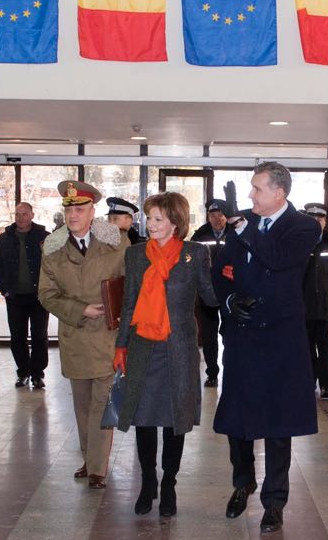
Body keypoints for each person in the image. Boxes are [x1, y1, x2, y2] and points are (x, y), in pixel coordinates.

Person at [211, 161, 319, 534]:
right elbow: (219, 270)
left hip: (281, 339)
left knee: (278, 423)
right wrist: (228, 303)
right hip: (243, 334)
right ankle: (243, 483)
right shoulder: (243, 222)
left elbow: (277, 259)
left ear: (279, 193)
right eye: (251, 188)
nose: (250, 196)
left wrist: (244, 228)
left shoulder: (303, 227)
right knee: (237, 420)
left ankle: (275, 501)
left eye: (257, 189)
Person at [113, 192, 217, 517]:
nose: (151, 224)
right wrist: (121, 344)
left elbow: (211, 297)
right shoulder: (135, 256)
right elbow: (129, 302)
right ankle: (148, 482)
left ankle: (169, 483)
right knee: (144, 419)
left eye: (158, 219)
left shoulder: (195, 254)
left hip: (180, 348)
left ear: (175, 221)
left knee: (175, 420)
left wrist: (234, 279)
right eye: (149, 218)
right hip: (143, 345)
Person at [38, 180, 127, 490]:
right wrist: (78, 309)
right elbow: (46, 294)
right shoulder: (52, 248)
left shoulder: (116, 243)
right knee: (82, 404)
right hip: (75, 334)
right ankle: (90, 459)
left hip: (106, 336)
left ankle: (98, 468)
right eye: (69, 209)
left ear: (93, 211)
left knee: (102, 404)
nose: (73, 215)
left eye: (79, 209)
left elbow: (129, 285)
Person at [0, 202, 50, 389]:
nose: (20, 217)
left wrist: (48, 289)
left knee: (39, 336)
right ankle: (23, 372)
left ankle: (37, 374)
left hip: (38, 296)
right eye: (17, 214)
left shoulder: (44, 237)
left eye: (24, 214)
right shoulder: (3, 239)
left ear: (32, 215)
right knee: (18, 337)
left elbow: (53, 266)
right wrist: (4, 290)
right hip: (15, 297)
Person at [301, 203, 328, 399]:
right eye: (313, 219)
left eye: (321, 219)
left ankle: (327, 385)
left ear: (326, 222)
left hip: (327, 309)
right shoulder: (299, 244)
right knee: (307, 348)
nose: (317, 222)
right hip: (305, 307)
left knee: (326, 349)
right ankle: (308, 382)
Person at [190, 198, 232, 387]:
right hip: (206, 294)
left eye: (219, 215)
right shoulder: (200, 235)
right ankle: (212, 373)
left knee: (230, 334)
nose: (216, 219)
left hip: (230, 293)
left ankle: (231, 371)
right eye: (212, 215)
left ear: (226, 216)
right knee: (209, 335)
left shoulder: (235, 234)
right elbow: (190, 263)